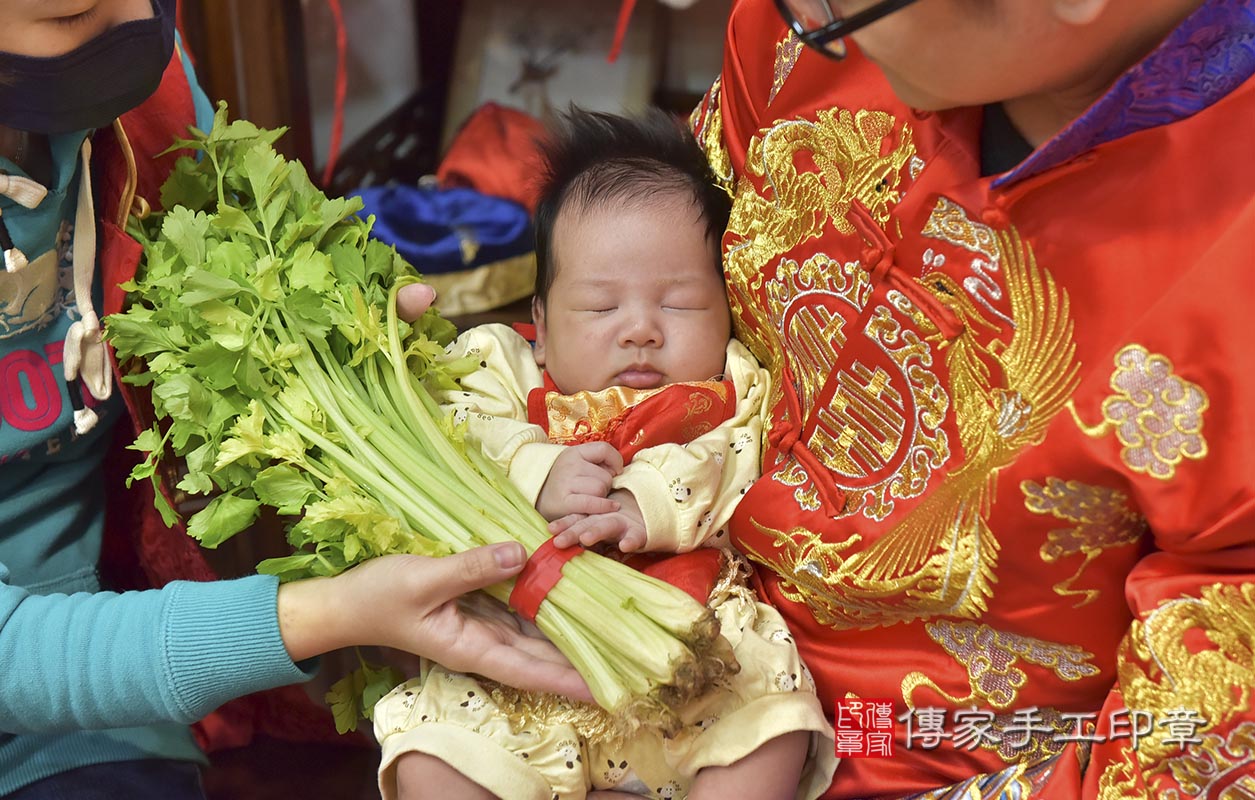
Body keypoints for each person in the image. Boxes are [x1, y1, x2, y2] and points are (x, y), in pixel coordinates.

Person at [607, 0, 1247, 796]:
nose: (801, 8)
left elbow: (1194, 752)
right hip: (629, 617)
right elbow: (641, 316)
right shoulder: (806, 38)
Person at [0, 2, 586, 797]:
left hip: (101, 669)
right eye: (68, 11)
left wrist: (432, 405)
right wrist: (333, 612)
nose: (134, 16)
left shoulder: (127, 81)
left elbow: (255, 260)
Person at [372, 109, 837, 800]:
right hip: (517, 656)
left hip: (694, 651)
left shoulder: (732, 388)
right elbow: (448, 430)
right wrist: (533, 468)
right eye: (599, 307)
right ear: (541, 327)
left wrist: (642, 499)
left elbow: (736, 459)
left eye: (678, 305)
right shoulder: (497, 365)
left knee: (769, 726)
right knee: (431, 757)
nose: (641, 331)